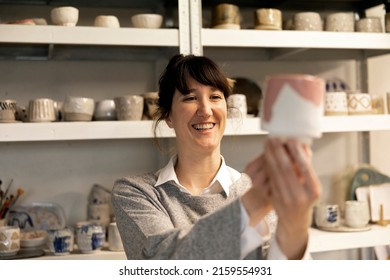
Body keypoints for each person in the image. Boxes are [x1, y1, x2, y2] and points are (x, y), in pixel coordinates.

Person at [111, 54, 321, 260]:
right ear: (168, 116)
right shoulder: (136, 193)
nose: (206, 110)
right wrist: (254, 204)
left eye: (215, 97)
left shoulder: (253, 188)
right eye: (190, 98)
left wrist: (297, 224)